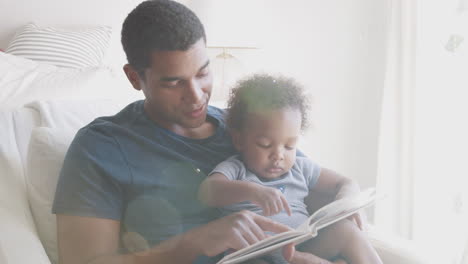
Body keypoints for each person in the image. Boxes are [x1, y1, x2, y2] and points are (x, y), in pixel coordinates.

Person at [52, 1, 373, 264]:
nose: (196, 96)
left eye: (203, 72)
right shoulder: (101, 147)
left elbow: (302, 184)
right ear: (135, 77)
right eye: (173, 81)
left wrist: (345, 205)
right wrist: (194, 242)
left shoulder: (245, 126)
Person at [198, 74, 383, 264]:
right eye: (265, 144)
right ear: (239, 140)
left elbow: (344, 182)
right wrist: (251, 191)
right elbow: (208, 191)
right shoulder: (236, 169)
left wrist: (347, 201)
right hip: (253, 254)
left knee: (346, 231)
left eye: (289, 146)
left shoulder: (300, 168)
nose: (278, 155)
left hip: (302, 247)